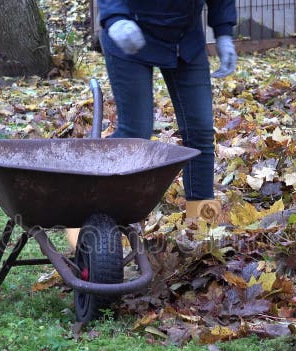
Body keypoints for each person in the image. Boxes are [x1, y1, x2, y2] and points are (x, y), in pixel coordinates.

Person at [67, 1, 237, 249]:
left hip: (184, 39)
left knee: (200, 134)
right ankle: (81, 212)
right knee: (135, 134)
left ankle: (201, 226)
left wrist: (224, 33)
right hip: (128, 30)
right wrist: (115, 18)